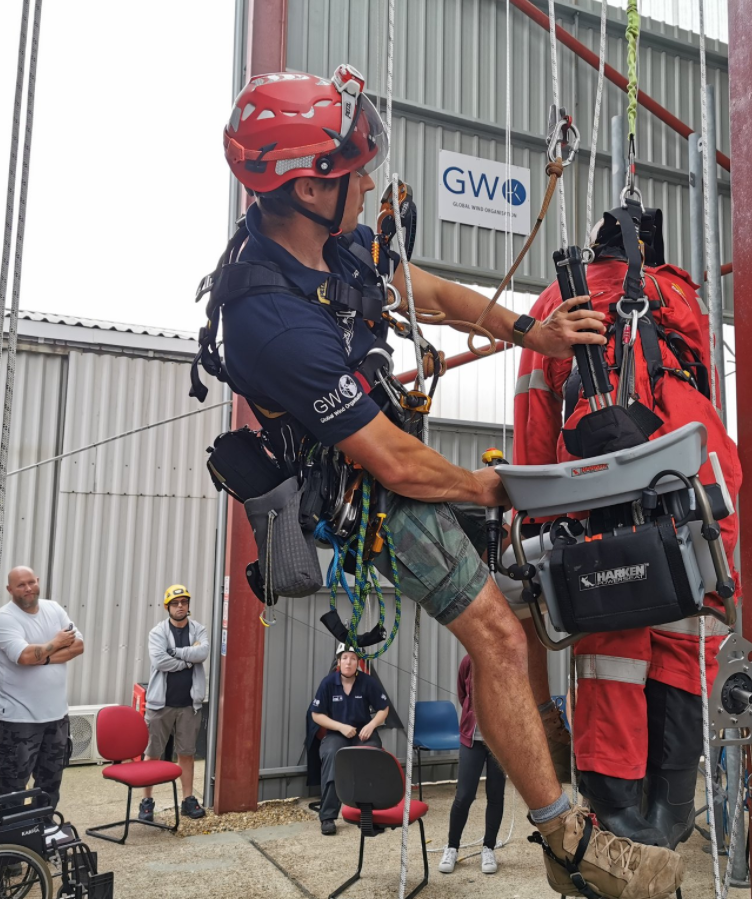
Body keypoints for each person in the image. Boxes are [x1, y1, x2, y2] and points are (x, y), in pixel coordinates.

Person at [201, 65, 685, 896]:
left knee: (520, 602)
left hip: (388, 453)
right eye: (353, 170)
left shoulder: (327, 240)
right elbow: (391, 462)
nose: (367, 182)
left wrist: (533, 330)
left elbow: (423, 289)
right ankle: (568, 841)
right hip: (365, 492)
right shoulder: (267, 318)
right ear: (306, 186)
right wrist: (491, 487)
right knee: (495, 632)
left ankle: (535, 741)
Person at [512, 216, 743, 849]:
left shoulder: (556, 302)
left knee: (614, 643)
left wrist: (535, 520)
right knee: (686, 636)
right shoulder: (681, 298)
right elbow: (705, 389)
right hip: (697, 489)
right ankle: (673, 802)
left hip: (602, 493)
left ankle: (615, 806)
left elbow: (535, 413)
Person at [0, 566, 84, 809]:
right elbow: (23, 656)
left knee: (50, 783)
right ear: (10, 589)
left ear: (38, 581)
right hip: (18, 719)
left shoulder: (53, 609)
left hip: (56, 717)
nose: (28, 588)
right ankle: (9, 832)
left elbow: (78, 646)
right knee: (13, 785)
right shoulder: (4, 618)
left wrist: (42, 657)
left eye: (31, 582)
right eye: (21, 585)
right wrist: (57, 642)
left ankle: (43, 826)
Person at [139, 584, 209, 822]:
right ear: (167, 607)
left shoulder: (199, 629)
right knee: (152, 754)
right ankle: (147, 802)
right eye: (175, 603)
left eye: (184, 602)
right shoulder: (157, 632)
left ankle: (188, 800)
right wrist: (188, 660)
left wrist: (175, 652)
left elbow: (203, 653)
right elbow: (160, 661)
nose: (180, 607)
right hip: (160, 705)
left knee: (186, 753)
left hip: (189, 705)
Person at [310, 645, 390, 835]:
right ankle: (328, 817)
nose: (348, 662)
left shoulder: (367, 682)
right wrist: (340, 727)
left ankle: (368, 815)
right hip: (337, 734)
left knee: (371, 758)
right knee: (332, 758)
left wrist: (372, 725)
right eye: (345, 658)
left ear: (357, 662)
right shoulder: (328, 683)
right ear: (339, 662)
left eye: (353, 658)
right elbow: (316, 715)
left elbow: (383, 708)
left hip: (363, 733)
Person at [439, 654, 505, 875]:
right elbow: (463, 693)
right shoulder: (469, 660)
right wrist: (471, 713)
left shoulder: (506, 660)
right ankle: (452, 847)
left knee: (495, 795)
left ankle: (488, 848)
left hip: (499, 742)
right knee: (464, 795)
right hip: (471, 739)